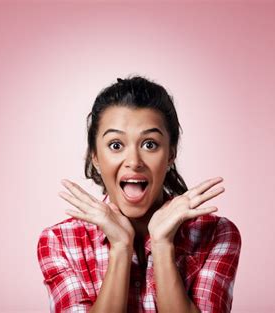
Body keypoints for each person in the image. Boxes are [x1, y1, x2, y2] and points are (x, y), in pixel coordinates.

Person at [36, 75, 242, 313]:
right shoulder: (59, 241)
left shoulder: (217, 234)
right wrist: (121, 247)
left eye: (150, 144)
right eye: (115, 145)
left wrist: (162, 244)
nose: (134, 162)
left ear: (171, 154)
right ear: (94, 156)